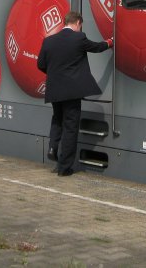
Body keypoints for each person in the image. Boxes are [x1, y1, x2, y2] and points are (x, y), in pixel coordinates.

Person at [37, 11, 113, 176]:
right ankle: (64, 168)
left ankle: (52, 147)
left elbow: (41, 64)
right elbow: (97, 47)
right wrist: (110, 42)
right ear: (78, 22)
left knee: (57, 120)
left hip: (54, 91)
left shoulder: (48, 41)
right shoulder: (79, 38)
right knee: (70, 127)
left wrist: (55, 75)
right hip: (71, 92)